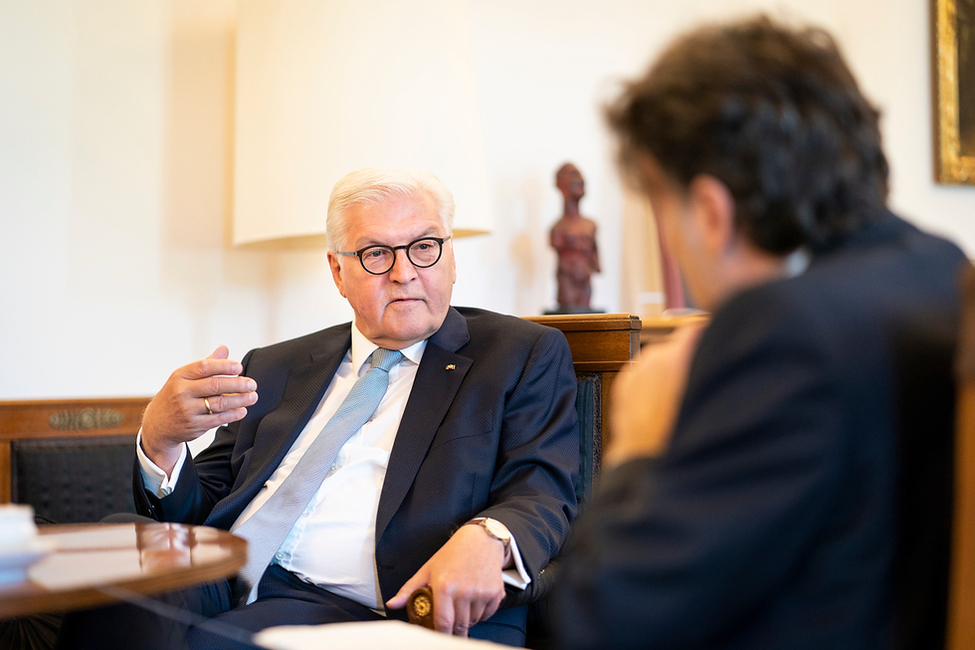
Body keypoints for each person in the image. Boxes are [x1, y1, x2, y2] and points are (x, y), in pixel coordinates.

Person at [551, 16, 968, 650]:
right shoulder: (941, 266)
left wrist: (637, 445)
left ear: (712, 213)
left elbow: (592, 624)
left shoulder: (784, 334)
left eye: (660, 202)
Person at [56, 168, 579, 649]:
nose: (404, 273)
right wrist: (162, 443)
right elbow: (211, 508)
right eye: (376, 253)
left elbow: (542, 487)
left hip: (370, 607)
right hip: (226, 579)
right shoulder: (277, 364)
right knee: (118, 559)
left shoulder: (516, 354)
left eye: (424, 247)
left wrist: (488, 537)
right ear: (337, 271)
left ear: (451, 257)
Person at [549, 163, 600, 312]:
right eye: (573, 175)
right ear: (560, 184)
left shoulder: (591, 225)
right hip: (566, 282)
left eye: (579, 175)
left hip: (585, 285)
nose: (580, 179)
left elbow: (596, 263)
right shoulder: (557, 228)